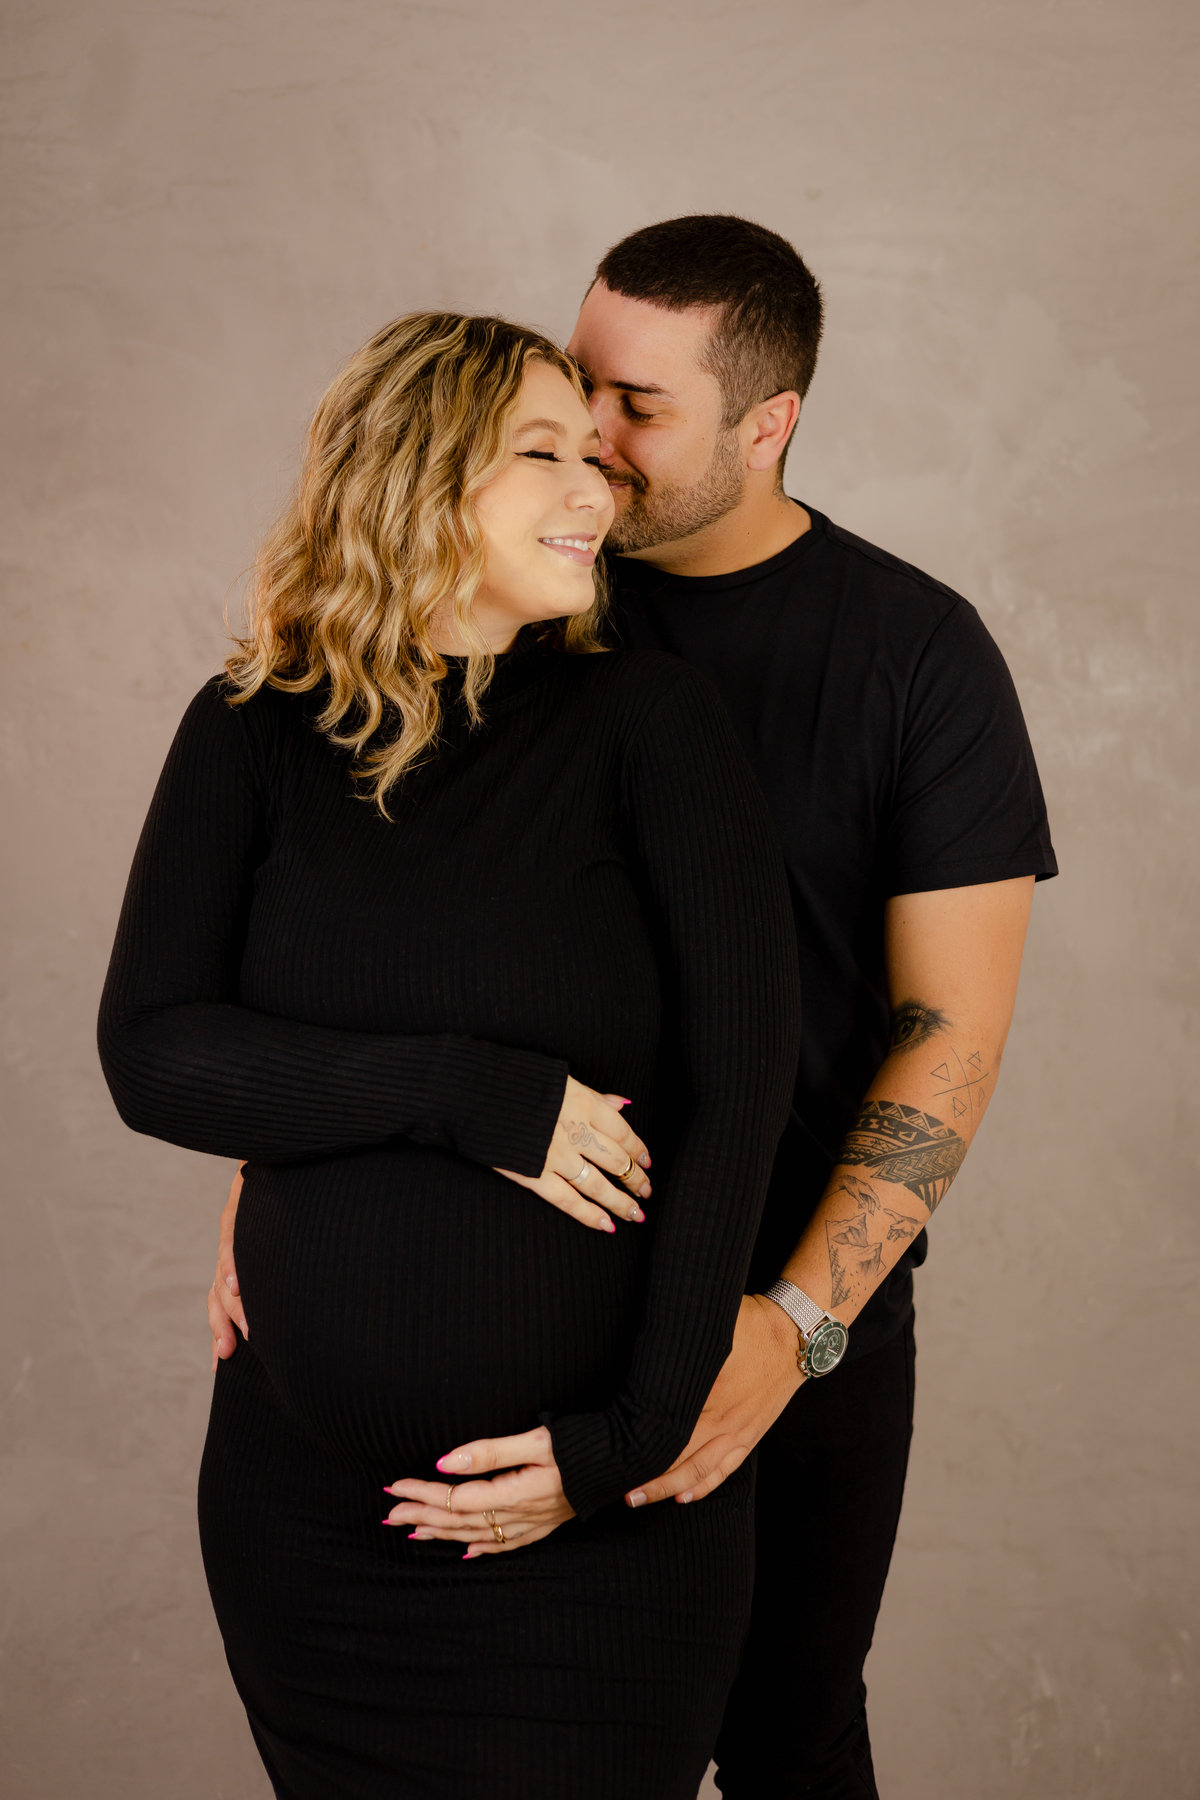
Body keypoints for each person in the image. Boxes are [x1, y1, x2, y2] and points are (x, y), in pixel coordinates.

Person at [208, 218, 1058, 1797]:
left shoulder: (912, 655)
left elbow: (950, 1032)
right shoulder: (521, 590)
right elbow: (361, 922)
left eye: (638, 408)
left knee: (790, 1735)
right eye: (574, 388)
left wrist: (793, 1328)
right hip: (539, 1323)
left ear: (768, 423)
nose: (589, 441)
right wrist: (288, 1167)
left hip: (786, 1306)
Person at [99, 311, 802, 1799]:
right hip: (306, 1526)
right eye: (545, 454)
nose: (597, 490)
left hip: (596, 1547)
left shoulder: (648, 723)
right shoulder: (252, 729)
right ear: (414, 476)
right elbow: (153, 1051)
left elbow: (744, 1094)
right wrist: (464, 1092)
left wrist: (621, 1451)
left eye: (598, 456)